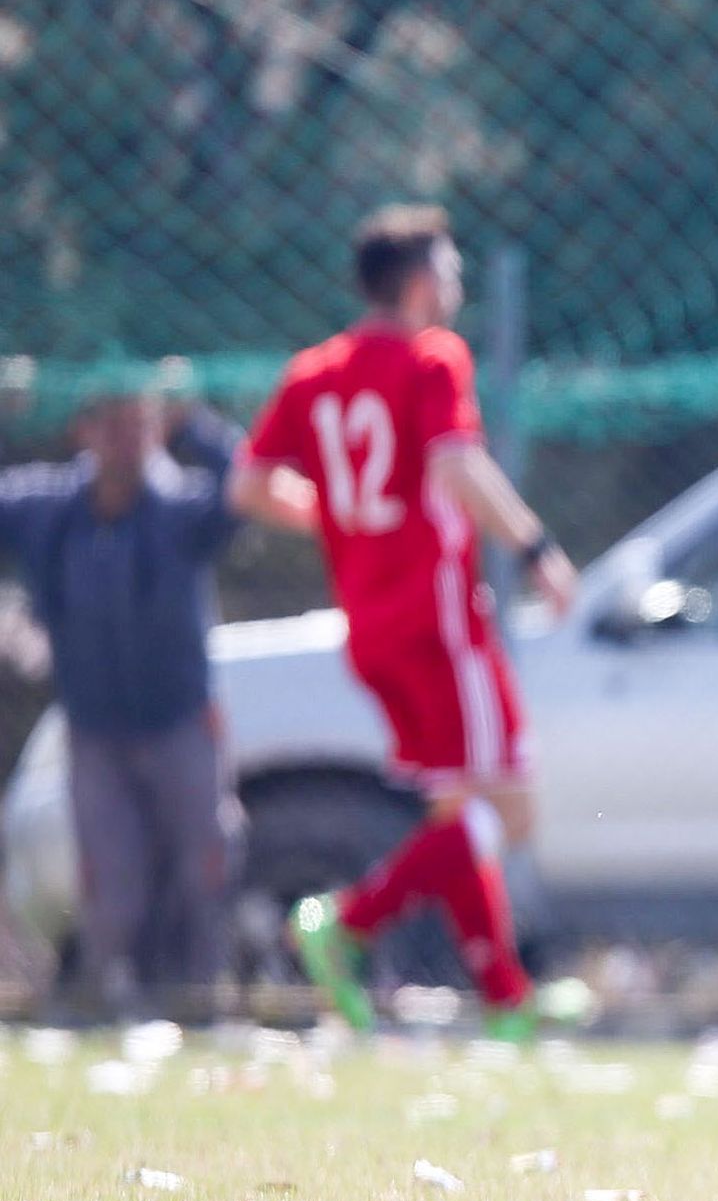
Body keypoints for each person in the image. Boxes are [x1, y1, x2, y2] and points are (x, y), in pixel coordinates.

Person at [228, 205, 579, 1041]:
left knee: (453, 809)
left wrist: (340, 518)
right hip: (439, 621)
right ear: (421, 284)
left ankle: (505, 998)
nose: (455, 289)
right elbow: (457, 464)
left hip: (371, 630)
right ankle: (347, 920)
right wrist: (536, 547)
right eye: (451, 272)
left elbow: (247, 485)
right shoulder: (432, 357)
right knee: (512, 807)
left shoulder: (314, 371)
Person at [0, 383, 315, 1014]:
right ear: (82, 432)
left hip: (181, 726)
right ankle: (112, 1005)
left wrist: (197, 425)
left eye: (142, 424)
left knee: (203, 867)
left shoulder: (181, 512)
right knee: (114, 886)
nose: (127, 439)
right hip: (95, 734)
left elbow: (246, 487)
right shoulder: (47, 510)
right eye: (112, 424)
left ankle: (199, 1003)